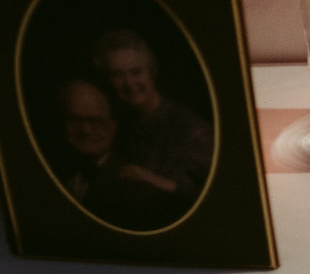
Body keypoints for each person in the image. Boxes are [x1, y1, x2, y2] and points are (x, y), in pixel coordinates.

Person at [92, 29, 213, 221]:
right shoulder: (122, 126)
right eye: (117, 75)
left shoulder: (188, 127)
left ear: (151, 71)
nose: (129, 83)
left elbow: (223, 195)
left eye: (136, 72)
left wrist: (160, 183)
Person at [53, 78, 175, 229]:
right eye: (75, 120)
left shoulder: (140, 193)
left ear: (113, 126)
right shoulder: (48, 171)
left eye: (96, 121)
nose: (86, 130)